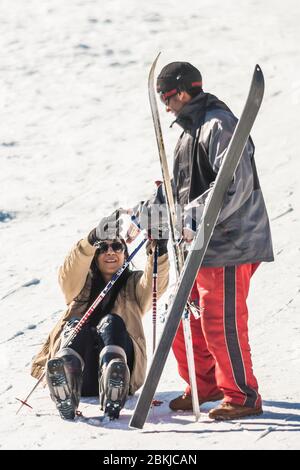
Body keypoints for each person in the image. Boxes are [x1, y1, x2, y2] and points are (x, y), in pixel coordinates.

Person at [155, 61, 274, 420]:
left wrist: (193, 216)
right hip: (199, 244)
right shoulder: (189, 132)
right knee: (181, 317)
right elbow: (180, 191)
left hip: (229, 243)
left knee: (219, 321)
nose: (165, 105)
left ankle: (242, 394)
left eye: (168, 96)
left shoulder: (219, 125)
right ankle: (202, 383)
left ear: (185, 90)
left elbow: (233, 185)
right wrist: (151, 216)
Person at [31, 211, 169, 420]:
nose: (110, 252)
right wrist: (90, 240)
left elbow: (153, 285)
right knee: (77, 324)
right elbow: (68, 274)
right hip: (82, 372)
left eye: (117, 246)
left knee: (112, 323)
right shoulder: (80, 285)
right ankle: (66, 379)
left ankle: (113, 377)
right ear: (95, 255)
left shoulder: (133, 284)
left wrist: (158, 253)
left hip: (121, 371)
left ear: (125, 252)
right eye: (103, 247)